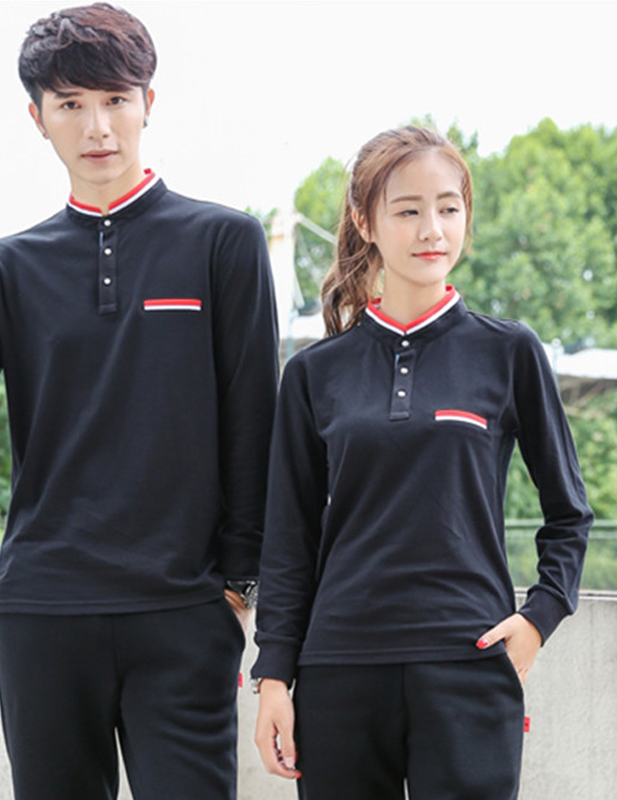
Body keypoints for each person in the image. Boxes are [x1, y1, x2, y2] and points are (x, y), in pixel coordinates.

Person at [0, 5, 278, 799]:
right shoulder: (9, 267)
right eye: (70, 105)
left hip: (182, 613)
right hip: (43, 612)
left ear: (148, 103)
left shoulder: (223, 242)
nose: (97, 126)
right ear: (37, 119)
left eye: (115, 100)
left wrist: (238, 588)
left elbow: (254, 425)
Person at [251, 125, 591, 800]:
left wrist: (540, 616)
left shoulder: (510, 352)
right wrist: (273, 678)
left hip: (469, 667)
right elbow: (288, 540)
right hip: (340, 670)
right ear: (365, 222)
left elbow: (569, 513)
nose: (432, 229)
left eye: (448, 207)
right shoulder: (315, 374)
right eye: (407, 210)